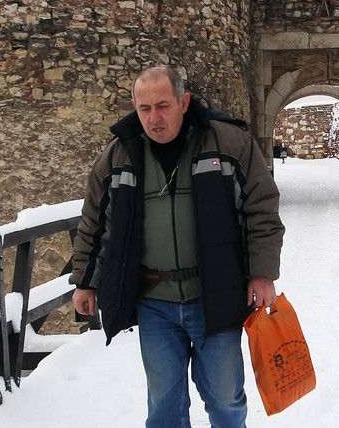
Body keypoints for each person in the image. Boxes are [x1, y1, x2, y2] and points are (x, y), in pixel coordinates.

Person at [70, 66, 285, 428]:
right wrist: (86, 280)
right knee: (164, 409)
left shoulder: (228, 142)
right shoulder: (119, 154)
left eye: (163, 105)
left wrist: (262, 274)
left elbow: (260, 209)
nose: (154, 118)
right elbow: (95, 220)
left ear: (183, 102)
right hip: (155, 302)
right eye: (144, 108)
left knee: (226, 402)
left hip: (215, 295)